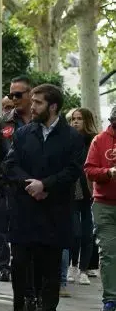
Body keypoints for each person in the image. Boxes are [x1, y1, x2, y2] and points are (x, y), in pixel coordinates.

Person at [3, 84, 83, 311]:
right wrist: (31, 185)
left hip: (55, 210)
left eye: (38, 102)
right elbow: (10, 165)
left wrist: (45, 185)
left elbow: (73, 171)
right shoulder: (24, 133)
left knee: (50, 267)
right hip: (25, 209)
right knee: (20, 263)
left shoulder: (72, 137)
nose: (32, 105)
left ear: (53, 106)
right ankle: (17, 310)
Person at [0, 76, 34, 288]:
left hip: (41, 192)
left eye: (18, 95)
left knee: (39, 249)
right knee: (17, 247)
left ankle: (38, 294)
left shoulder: (43, 121)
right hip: (11, 194)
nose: (13, 99)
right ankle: (23, 297)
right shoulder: (3, 123)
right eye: (11, 95)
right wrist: (4, 181)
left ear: (31, 94)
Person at [81, 106, 116, 311]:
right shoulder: (100, 140)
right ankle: (110, 299)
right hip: (104, 205)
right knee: (109, 253)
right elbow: (89, 169)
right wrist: (108, 172)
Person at [67, 107, 98, 286]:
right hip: (71, 190)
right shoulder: (67, 139)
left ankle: (84, 269)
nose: (76, 122)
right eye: (73, 119)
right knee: (74, 232)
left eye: (79, 118)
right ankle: (72, 264)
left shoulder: (93, 140)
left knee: (87, 232)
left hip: (89, 190)